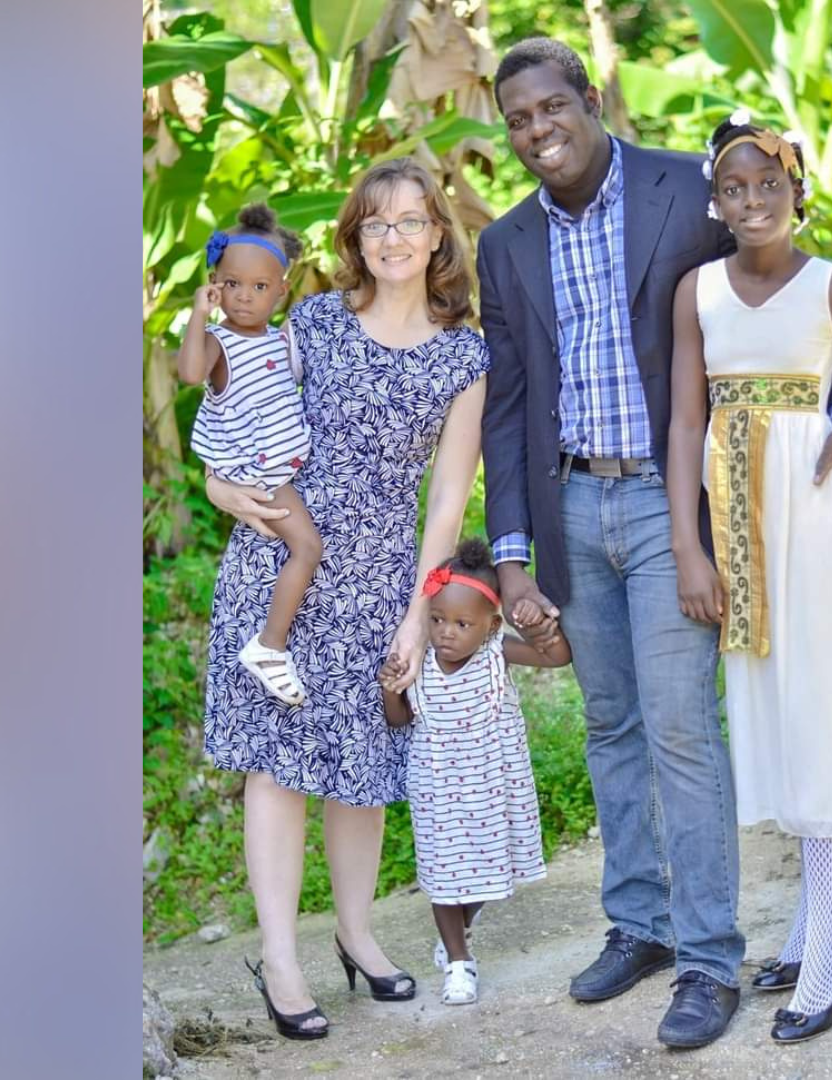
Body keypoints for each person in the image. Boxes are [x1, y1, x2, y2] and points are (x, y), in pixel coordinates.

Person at [475, 38, 832, 1050]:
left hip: (673, 503)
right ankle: (640, 924)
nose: (538, 131)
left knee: (681, 727)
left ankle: (707, 957)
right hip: (570, 501)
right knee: (610, 726)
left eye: (550, 107)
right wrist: (512, 553)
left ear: (588, 99)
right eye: (518, 119)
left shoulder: (683, 191)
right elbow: (510, 403)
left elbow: (782, 290)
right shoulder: (507, 242)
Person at [202, 158, 491, 1040]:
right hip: (281, 559)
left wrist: (417, 608)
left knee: (362, 769)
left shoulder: (465, 351)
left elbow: (448, 496)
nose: (394, 238)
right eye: (376, 224)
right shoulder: (316, 321)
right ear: (355, 239)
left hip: (379, 578)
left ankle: (358, 936)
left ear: (438, 233)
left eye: (411, 221)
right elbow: (238, 402)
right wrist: (217, 482)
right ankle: (282, 958)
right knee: (281, 766)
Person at [666, 114, 832, 1044]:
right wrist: (690, 546)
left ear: (797, 190)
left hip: (817, 517)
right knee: (774, 709)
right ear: (716, 203)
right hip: (739, 517)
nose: (754, 202)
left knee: (822, 713)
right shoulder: (698, 292)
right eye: (736, 190)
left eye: (770, 186)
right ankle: (810, 925)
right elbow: (687, 423)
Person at [376, 538, 571, 1006]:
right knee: (445, 876)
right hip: (438, 791)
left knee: (485, 873)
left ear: (490, 626)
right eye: (438, 620)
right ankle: (460, 963)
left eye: (463, 624)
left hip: (491, 791)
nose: (446, 632)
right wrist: (389, 688)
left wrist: (541, 626)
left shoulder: (495, 654)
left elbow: (557, 657)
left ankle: (459, 929)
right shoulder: (418, 662)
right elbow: (401, 719)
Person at [177, 204, 320, 705]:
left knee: (302, 549)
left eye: (260, 287)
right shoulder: (219, 343)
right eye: (232, 284)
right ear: (216, 283)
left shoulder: (280, 342)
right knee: (307, 548)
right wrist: (199, 313)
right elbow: (192, 374)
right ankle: (269, 646)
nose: (244, 296)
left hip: (282, 468)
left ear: (281, 291)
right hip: (262, 476)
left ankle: (272, 642)